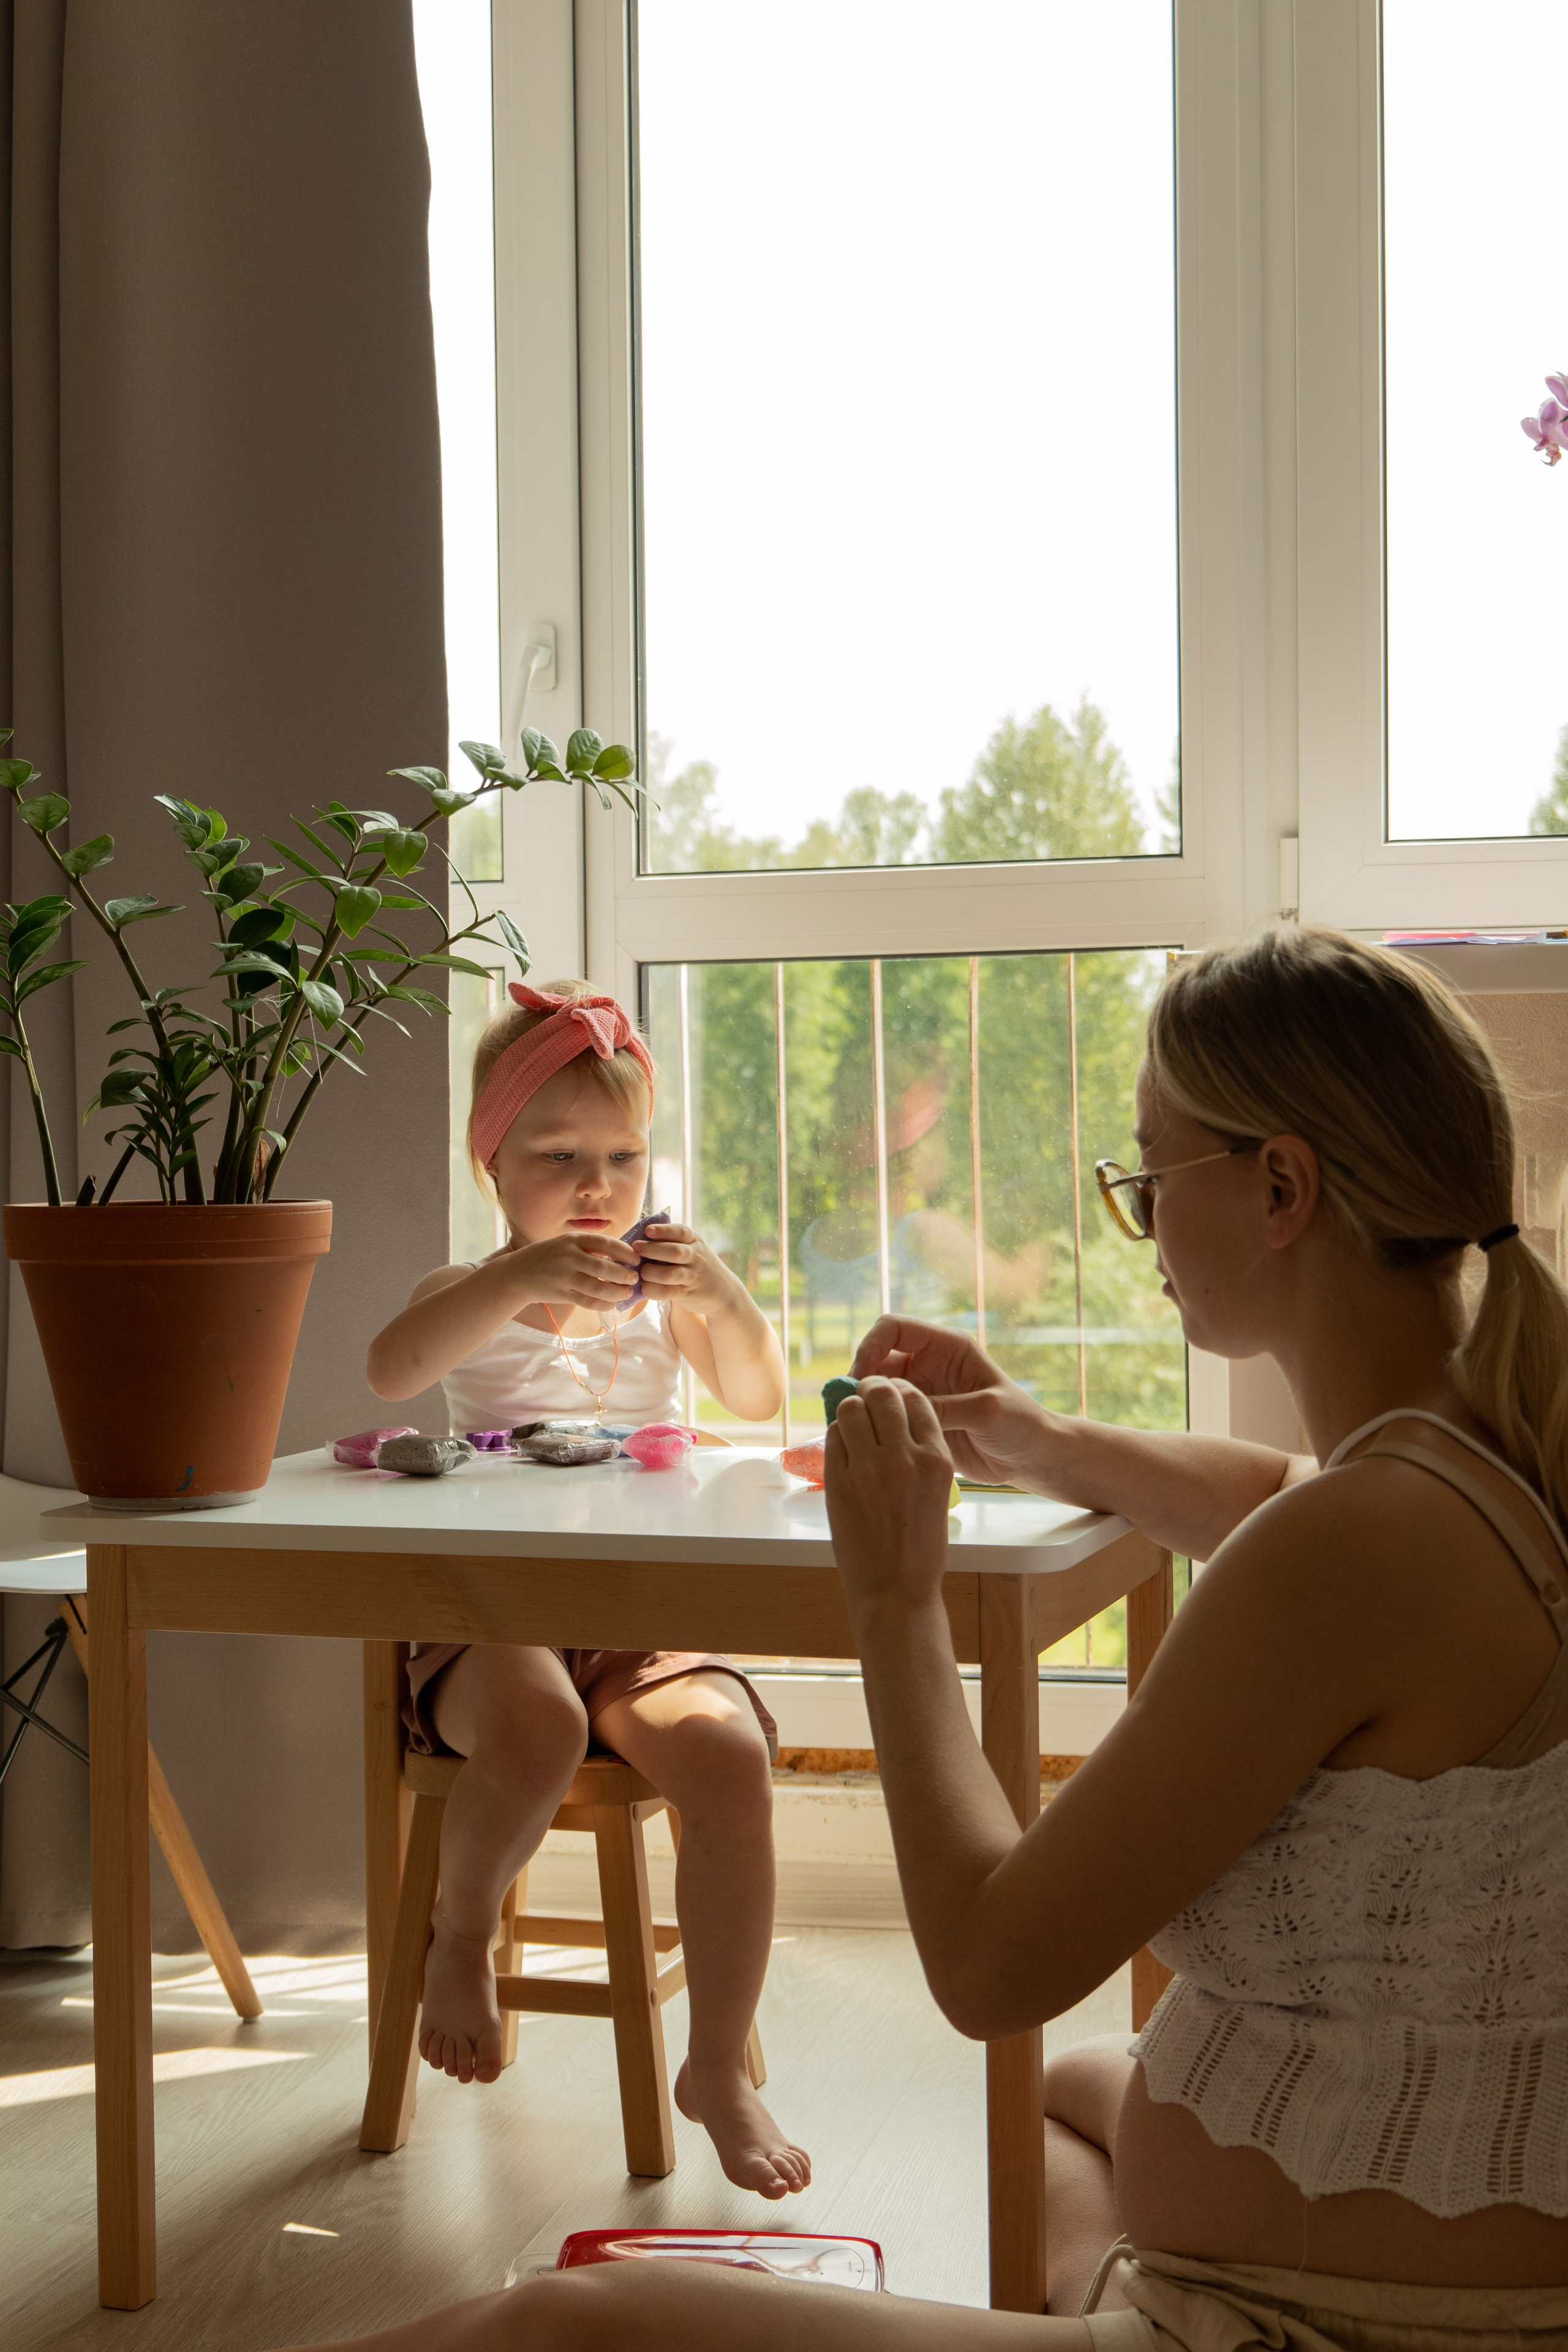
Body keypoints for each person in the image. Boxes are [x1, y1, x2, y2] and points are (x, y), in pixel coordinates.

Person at [288, 926, 1568, 2349]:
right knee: (1073, 2092)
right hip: (1376, 2270)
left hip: (1303, 2325)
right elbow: (1280, 1492)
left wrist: (894, 1602)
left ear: (1280, 1188)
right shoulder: (1487, 1460)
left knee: (568, 2324)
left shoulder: (1342, 1553)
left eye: (1148, 1179)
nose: (1137, 1220)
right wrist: (1035, 1436)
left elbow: (986, 1969)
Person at [364, 979, 809, 2201]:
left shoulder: (659, 1309)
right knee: (539, 1727)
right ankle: (464, 1932)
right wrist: (516, 1283)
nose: (595, 1187)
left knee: (728, 1757)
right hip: (492, 1624)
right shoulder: (465, 1293)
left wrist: (716, 1294)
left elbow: (759, 1396)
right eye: (558, 1158)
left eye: (621, 1157)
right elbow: (393, 1370)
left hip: (639, 1625)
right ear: (494, 1167)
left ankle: (714, 2067)